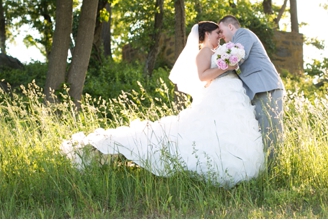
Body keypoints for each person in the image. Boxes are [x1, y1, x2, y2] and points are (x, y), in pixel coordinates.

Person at [61, 21, 264, 187]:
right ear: (206, 34)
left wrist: (228, 64)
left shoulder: (219, 51)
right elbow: (203, 77)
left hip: (231, 93)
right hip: (220, 92)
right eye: (216, 33)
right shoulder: (203, 53)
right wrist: (225, 67)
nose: (219, 36)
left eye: (220, 33)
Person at [217, 15, 285, 164]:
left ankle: (275, 168)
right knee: (262, 130)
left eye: (221, 31)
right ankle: (266, 167)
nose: (220, 36)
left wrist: (218, 66)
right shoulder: (233, 43)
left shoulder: (243, 34)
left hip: (266, 86)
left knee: (271, 130)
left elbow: (240, 56)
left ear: (231, 27)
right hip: (256, 89)